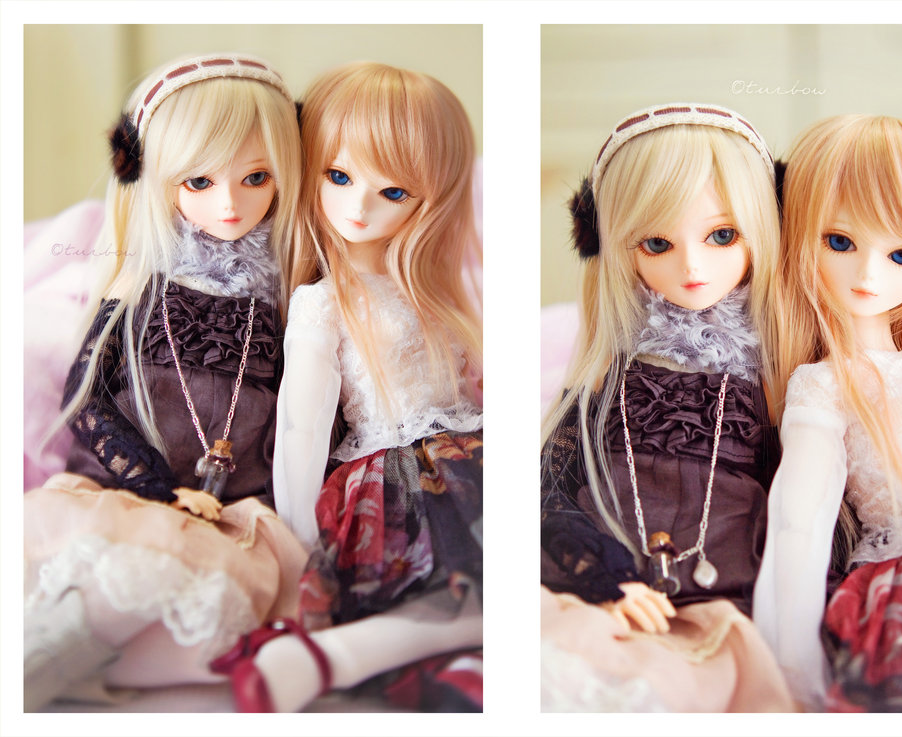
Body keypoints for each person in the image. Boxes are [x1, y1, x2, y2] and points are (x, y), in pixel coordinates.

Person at [23, 53, 306, 710]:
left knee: (208, 600)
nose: (229, 203)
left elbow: (296, 421)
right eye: (199, 181)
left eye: (256, 177)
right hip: (123, 492)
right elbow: (87, 402)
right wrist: (153, 487)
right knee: (103, 581)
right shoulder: (138, 288)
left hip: (227, 514)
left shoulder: (283, 302)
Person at [212, 62, 483, 713]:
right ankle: (323, 657)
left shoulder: (437, 292)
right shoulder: (324, 301)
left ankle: (328, 661)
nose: (359, 206)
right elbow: (301, 425)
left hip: (469, 459)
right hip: (396, 477)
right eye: (338, 176)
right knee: (474, 590)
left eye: (394, 191)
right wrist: (300, 537)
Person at [539, 103, 794, 712]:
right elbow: (547, 496)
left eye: (722, 235)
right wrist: (600, 580)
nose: (692, 266)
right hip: (603, 606)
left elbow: (809, 521)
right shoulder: (606, 385)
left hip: (720, 615)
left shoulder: (778, 388)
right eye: (658, 243)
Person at [753, 114, 902, 712]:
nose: (868, 275)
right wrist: (791, 672)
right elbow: (798, 524)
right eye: (839, 242)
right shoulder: (825, 384)